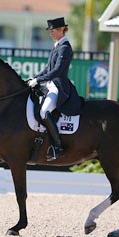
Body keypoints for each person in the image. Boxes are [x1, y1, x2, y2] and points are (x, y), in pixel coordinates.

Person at [28, 17, 82, 161]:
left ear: (61, 29)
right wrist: (34, 78)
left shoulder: (65, 48)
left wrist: (38, 80)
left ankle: (57, 147)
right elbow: (47, 69)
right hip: (49, 85)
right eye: (50, 30)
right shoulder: (56, 46)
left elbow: (57, 71)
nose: (51, 33)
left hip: (58, 87)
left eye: (52, 30)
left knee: (44, 112)